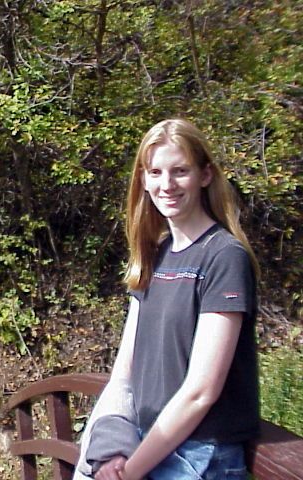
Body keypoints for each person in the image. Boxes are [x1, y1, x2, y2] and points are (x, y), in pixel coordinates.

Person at [83, 118, 260, 480]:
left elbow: (200, 392)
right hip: (146, 442)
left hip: (201, 458)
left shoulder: (224, 256)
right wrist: (111, 450)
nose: (167, 185)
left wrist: (131, 471)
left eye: (180, 171)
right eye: (156, 172)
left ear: (205, 175)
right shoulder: (155, 254)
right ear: (144, 180)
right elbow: (124, 373)